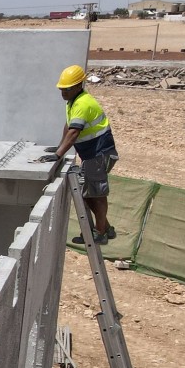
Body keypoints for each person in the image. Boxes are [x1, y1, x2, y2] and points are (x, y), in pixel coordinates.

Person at [42, 64, 119, 244]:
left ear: (78, 86)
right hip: (92, 155)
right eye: (61, 89)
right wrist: (60, 147)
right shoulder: (73, 102)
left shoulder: (83, 103)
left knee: (97, 195)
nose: (63, 93)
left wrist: (58, 154)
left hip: (99, 154)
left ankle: (100, 234)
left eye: (66, 89)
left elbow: (75, 132)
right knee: (88, 193)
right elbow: (68, 126)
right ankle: (106, 228)